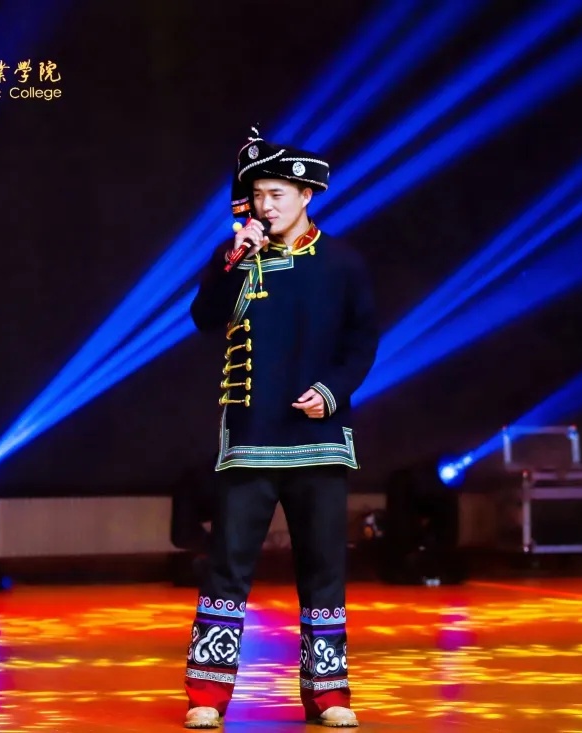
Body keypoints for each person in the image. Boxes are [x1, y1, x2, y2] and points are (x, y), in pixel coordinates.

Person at [181, 128, 379, 729]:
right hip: (250, 437)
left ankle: (328, 694)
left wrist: (331, 392)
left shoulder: (343, 263)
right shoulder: (238, 256)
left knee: (324, 567)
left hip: (319, 440)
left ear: (305, 196)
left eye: (278, 194)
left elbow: (361, 341)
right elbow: (204, 317)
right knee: (228, 565)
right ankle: (207, 695)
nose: (266, 206)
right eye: (259, 195)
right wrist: (232, 260)